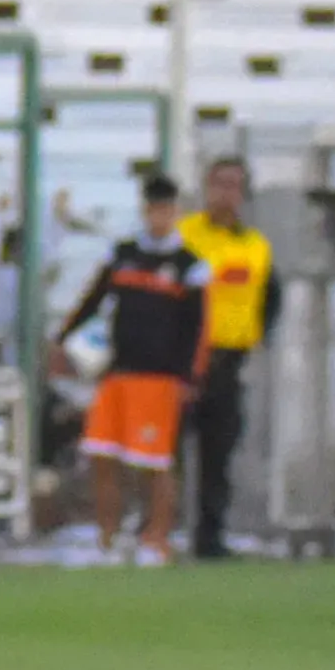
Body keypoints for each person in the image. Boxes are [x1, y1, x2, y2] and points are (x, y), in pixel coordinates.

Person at [60, 171, 212, 565]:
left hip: (159, 379)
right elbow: (92, 301)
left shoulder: (189, 266)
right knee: (102, 455)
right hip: (117, 373)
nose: (158, 216)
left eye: (166, 209)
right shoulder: (122, 255)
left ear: (175, 212)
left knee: (153, 463)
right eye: (152, 208)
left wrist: (189, 377)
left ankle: (155, 539)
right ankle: (108, 539)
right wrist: (62, 338)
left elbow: (198, 328)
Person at [172, 155, 278, 558]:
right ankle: (159, 530)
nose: (225, 194)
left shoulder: (255, 247)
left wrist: (257, 337)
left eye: (233, 186)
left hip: (229, 361)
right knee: (167, 450)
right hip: (183, 361)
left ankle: (210, 537)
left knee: (219, 452)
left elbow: (270, 298)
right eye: (219, 184)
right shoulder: (185, 236)